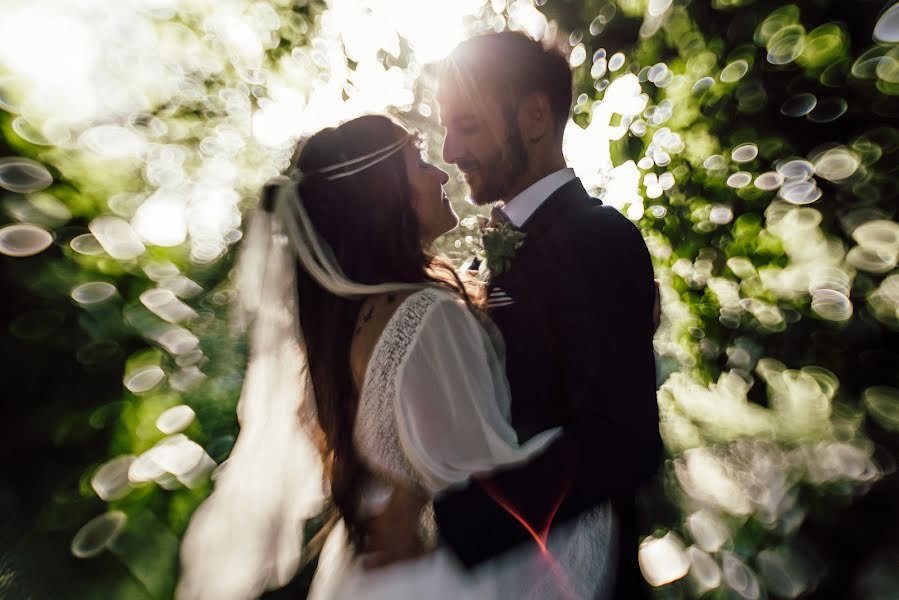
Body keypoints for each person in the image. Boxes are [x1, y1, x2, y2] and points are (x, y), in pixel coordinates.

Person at [177, 114, 616, 600]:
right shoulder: (426, 316)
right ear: (386, 195)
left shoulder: (347, 327)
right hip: (441, 573)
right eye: (420, 163)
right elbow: (483, 473)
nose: (442, 173)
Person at [365, 31, 662, 599]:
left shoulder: (597, 238)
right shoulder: (485, 255)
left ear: (533, 116)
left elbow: (621, 442)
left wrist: (448, 525)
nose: (450, 152)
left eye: (468, 126)